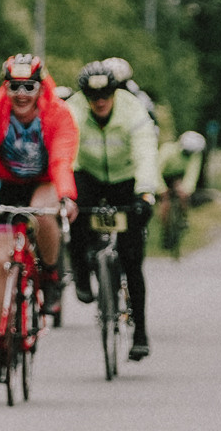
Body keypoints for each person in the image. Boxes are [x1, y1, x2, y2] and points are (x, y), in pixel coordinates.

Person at [0, 53, 77, 383]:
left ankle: (52, 277)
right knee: (1, 264)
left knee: (43, 216)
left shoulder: (58, 113)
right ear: (5, 87)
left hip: (42, 182)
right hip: (6, 184)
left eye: (29, 86)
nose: (22, 94)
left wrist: (67, 195)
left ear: (41, 87)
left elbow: (62, 160)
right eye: (14, 87)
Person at [61, 62, 159, 361]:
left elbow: (145, 152)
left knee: (132, 259)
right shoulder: (73, 110)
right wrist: (66, 193)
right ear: (84, 95)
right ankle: (80, 270)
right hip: (87, 172)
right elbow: (64, 152)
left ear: (115, 92)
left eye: (106, 94)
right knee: (75, 215)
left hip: (125, 177)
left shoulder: (133, 110)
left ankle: (140, 332)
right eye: (93, 96)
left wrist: (145, 192)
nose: (100, 101)